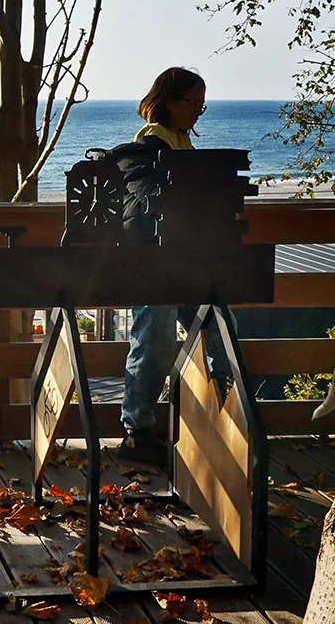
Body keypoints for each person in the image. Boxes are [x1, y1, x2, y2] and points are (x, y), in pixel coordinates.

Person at [117, 66, 231, 468]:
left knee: (215, 326)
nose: (200, 111)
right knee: (155, 338)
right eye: (193, 103)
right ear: (169, 100)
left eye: (203, 104)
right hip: (153, 261)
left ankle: (223, 412)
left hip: (183, 259)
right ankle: (136, 432)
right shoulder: (149, 145)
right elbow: (149, 207)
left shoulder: (178, 142)